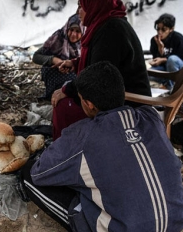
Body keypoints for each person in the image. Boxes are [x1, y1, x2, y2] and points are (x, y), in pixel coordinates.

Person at [20, 61, 183, 232]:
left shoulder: (83, 134)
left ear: (89, 103)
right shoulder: (152, 116)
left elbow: (39, 173)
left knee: (28, 174)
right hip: (176, 221)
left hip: (123, 231)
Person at [50, 0, 151, 140]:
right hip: (113, 95)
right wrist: (75, 63)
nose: (78, 11)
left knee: (63, 106)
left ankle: (66, 153)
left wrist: (66, 90)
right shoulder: (106, 24)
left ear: (95, 5)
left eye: (81, 6)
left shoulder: (111, 30)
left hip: (128, 106)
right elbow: (103, 60)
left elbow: (98, 75)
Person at [32, 13, 83, 100]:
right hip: (56, 74)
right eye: (71, 30)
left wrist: (73, 65)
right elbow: (36, 57)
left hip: (75, 76)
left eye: (78, 31)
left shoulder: (86, 43)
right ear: (67, 28)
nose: (73, 34)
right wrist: (54, 60)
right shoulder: (58, 38)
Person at [149, 13, 183, 90]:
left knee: (172, 59)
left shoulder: (179, 39)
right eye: (158, 29)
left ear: (171, 29)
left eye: (163, 29)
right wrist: (160, 48)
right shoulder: (154, 40)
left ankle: (172, 87)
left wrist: (164, 59)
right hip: (165, 69)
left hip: (180, 69)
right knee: (148, 74)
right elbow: (156, 59)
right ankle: (168, 82)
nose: (160, 32)